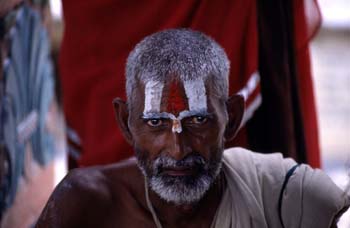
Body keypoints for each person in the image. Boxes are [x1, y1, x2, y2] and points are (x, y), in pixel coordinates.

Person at [36, 29, 349, 228]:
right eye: (156, 123)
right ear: (126, 122)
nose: (178, 148)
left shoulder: (284, 193)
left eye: (198, 120)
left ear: (232, 117)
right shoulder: (85, 207)